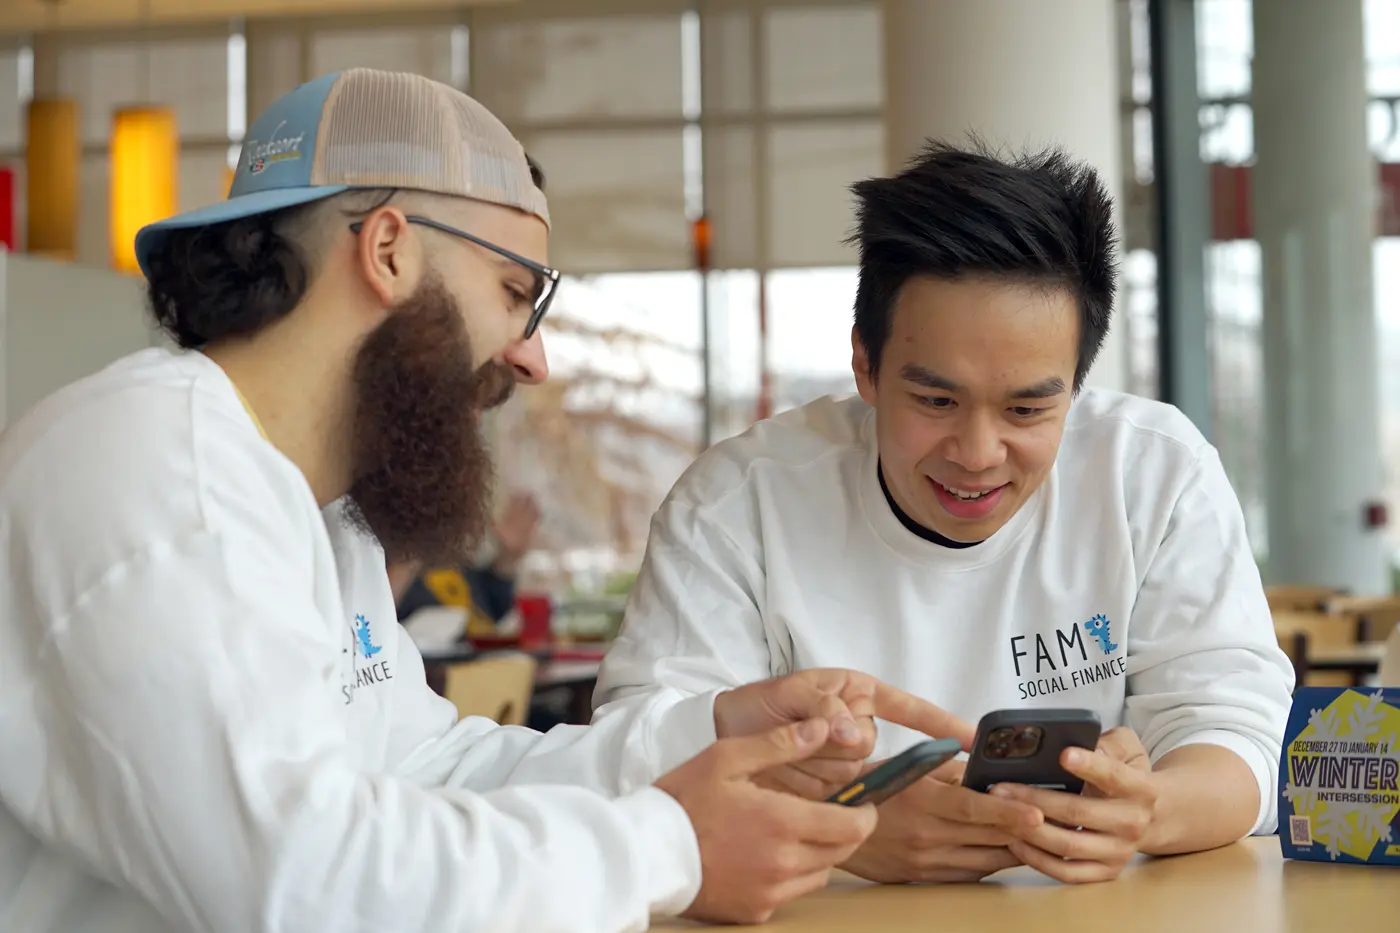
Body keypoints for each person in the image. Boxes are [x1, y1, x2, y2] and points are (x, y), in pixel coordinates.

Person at [0, 70, 973, 933]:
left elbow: (432, 771)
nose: (533, 358)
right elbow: (302, 882)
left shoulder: (311, 511)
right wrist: (666, 847)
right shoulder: (159, 467)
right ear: (387, 249)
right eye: (518, 292)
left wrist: (714, 736)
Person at [593, 140, 1297, 886]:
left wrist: (1149, 808)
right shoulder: (739, 505)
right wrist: (842, 822)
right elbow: (638, 749)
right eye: (936, 400)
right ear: (865, 362)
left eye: (1028, 407)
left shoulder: (1154, 473)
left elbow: (1240, 729)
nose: (978, 452)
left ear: (1078, 384)